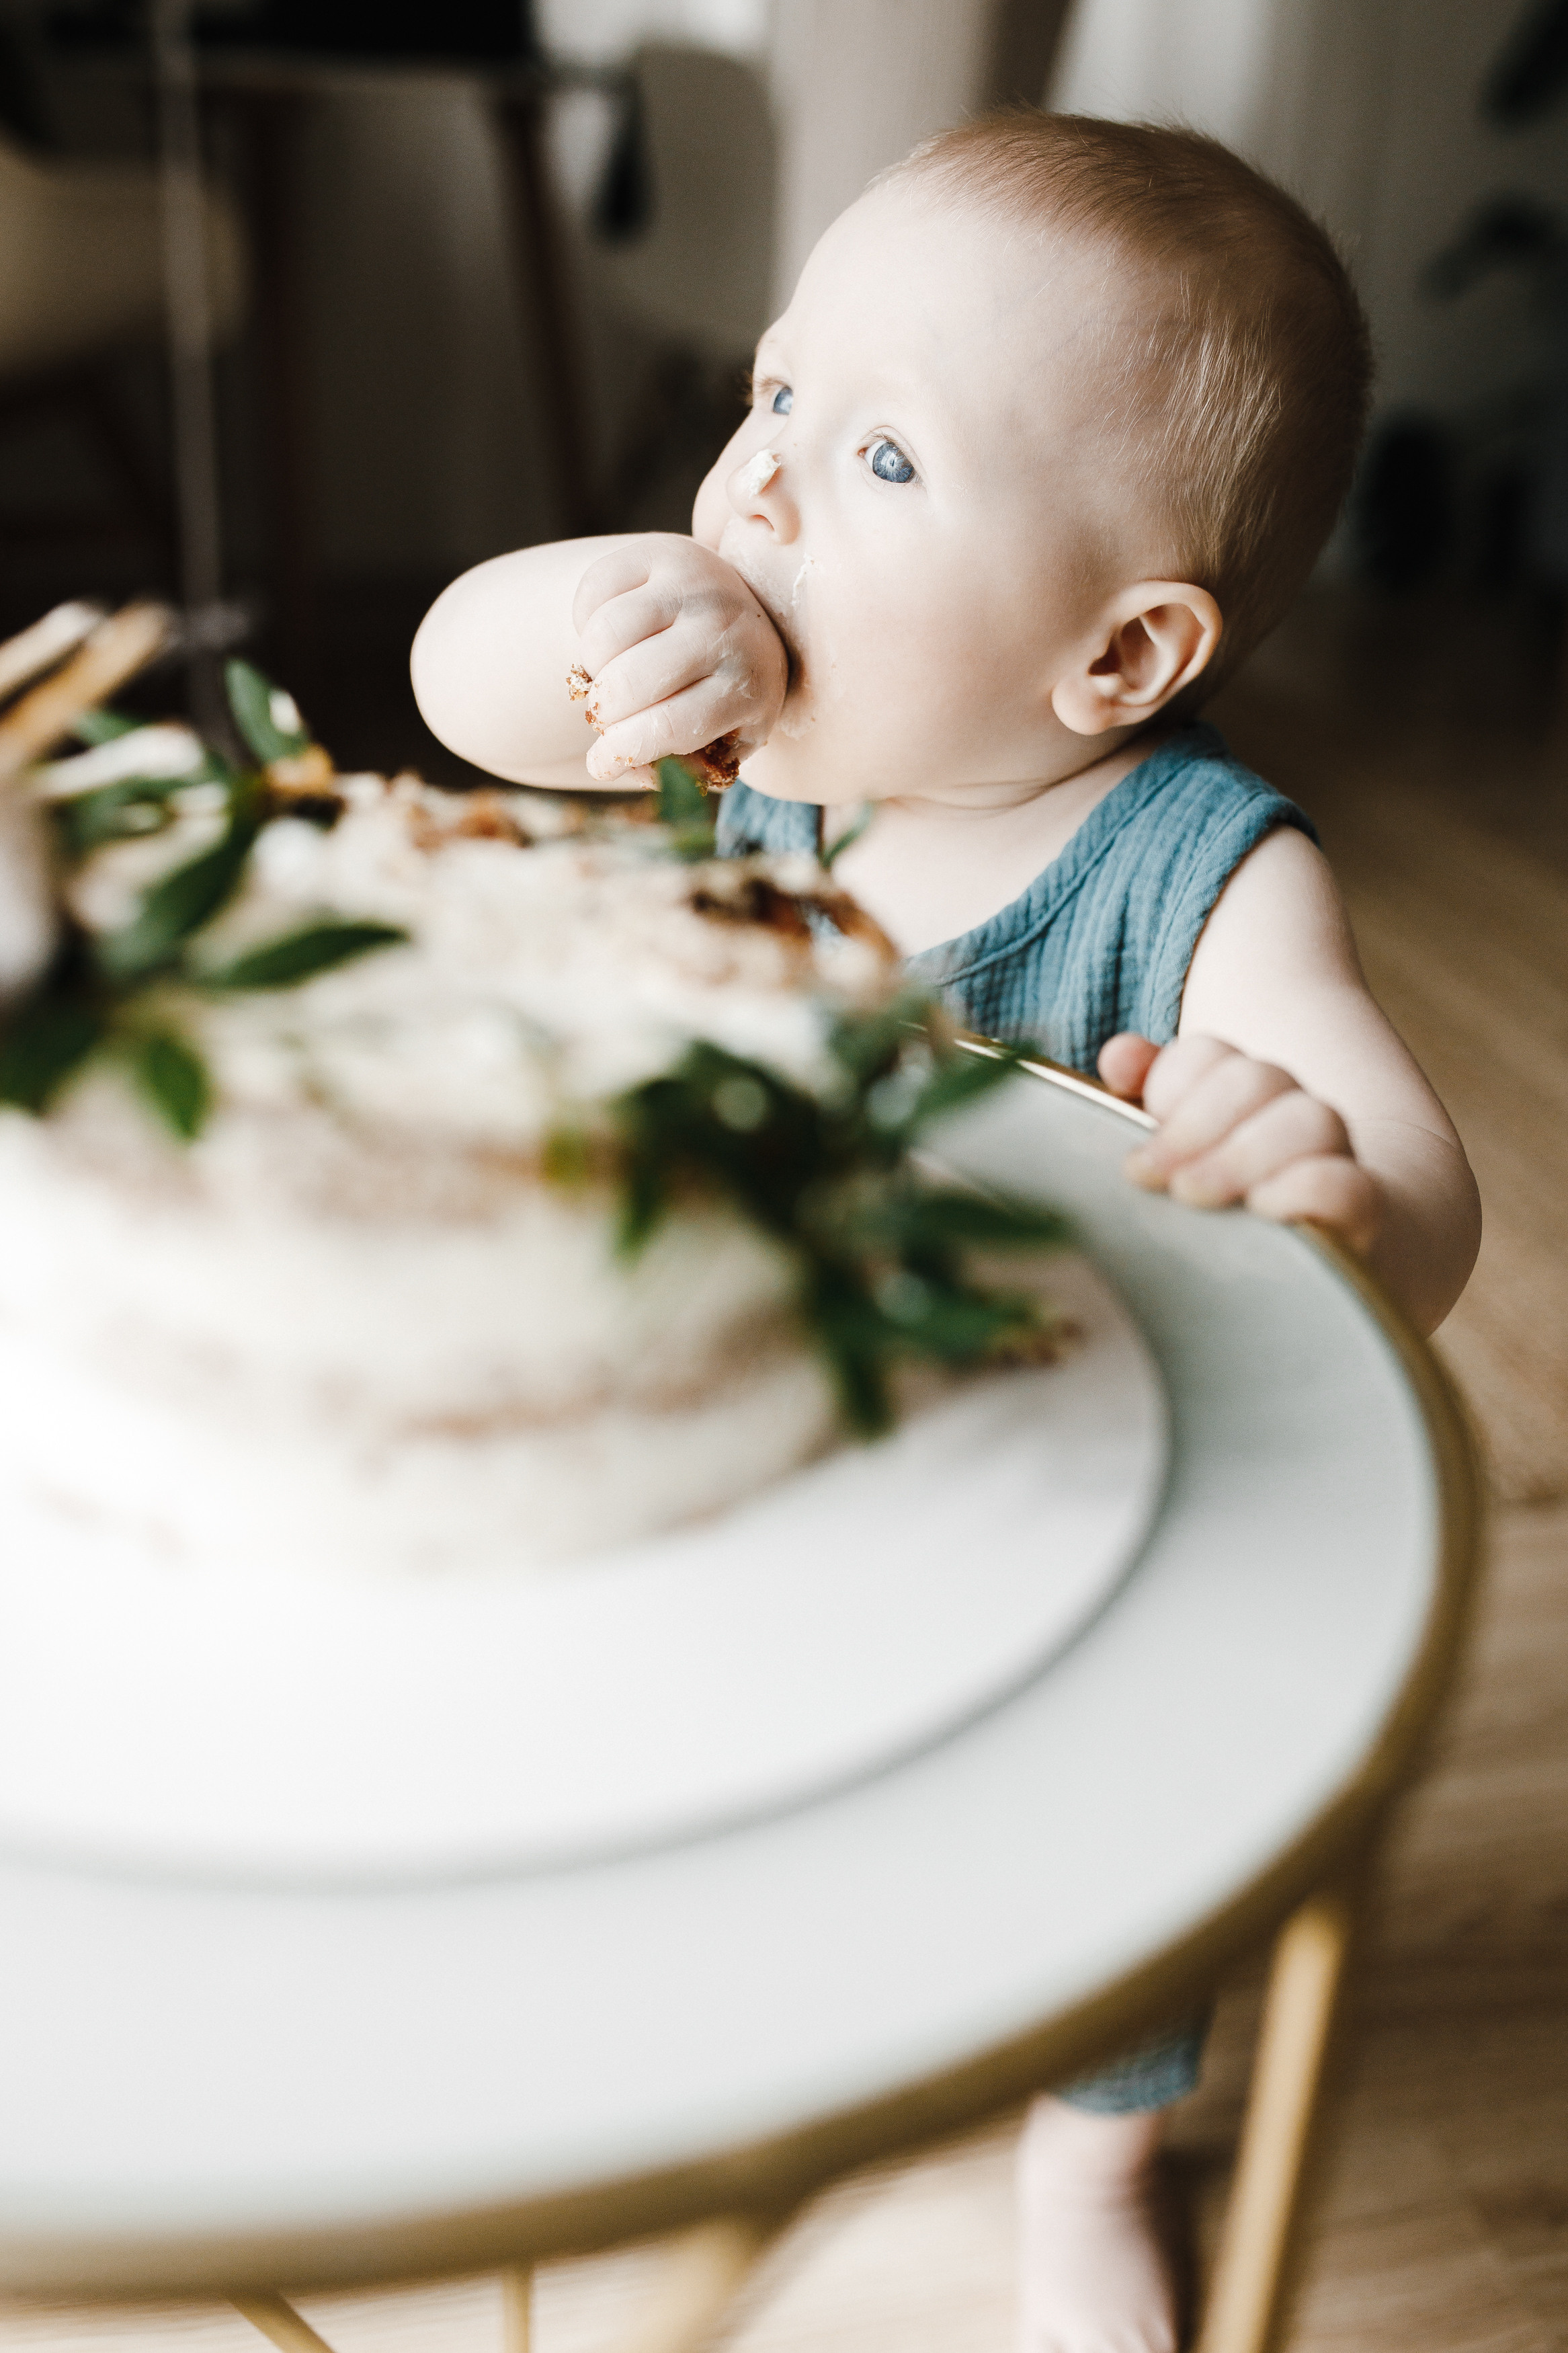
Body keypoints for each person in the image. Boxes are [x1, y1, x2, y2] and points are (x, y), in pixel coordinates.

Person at [411, 109, 1481, 2353]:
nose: (767, 484)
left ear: (1119, 655)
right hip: (744, 1420)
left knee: (1133, 1808)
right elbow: (461, 688)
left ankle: (1092, 2167)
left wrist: (1320, 1173)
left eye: (883, 460)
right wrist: (585, 617)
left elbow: (1417, 1190)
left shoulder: (1198, 872)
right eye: (776, 393)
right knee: (648, 1705)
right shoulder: (730, 737)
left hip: (1054, 1478)